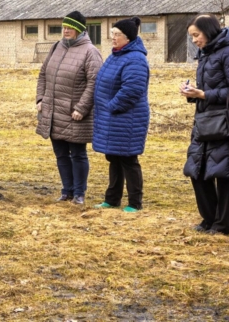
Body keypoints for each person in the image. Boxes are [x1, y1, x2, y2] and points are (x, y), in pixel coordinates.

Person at [180, 14, 229, 235]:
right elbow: (210, 89)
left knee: (225, 174)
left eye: (196, 35)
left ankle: (223, 224)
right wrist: (193, 93)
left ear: (209, 32)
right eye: (192, 36)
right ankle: (210, 219)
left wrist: (203, 93)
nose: (194, 40)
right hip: (206, 120)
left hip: (227, 124)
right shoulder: (206, 53)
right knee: (197, 171)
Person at [36, 11, 103, 205]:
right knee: (61, 154)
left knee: (78, 154)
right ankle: (66, 191)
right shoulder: (56, 47)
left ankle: (79, 193)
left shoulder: (90, 51)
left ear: (80, 29)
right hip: (53, 112)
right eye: (64, 26)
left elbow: (94, 83)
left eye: (70, 27)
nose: (65, 30)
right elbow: (43, 75)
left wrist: (81, 108)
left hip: (74, 114)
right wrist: (40, 98)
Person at [92, 17, 150, 212]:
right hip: (113, 117)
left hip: (127, 118)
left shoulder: (135, 59)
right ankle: (112, 199)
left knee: (128, 160)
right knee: (114, 158)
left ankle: (135, 202)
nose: (113, 38)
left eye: (117, 35)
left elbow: (132, 89)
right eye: (112, 34)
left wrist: (111, 106)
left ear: (129, 38)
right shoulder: (116, 55)